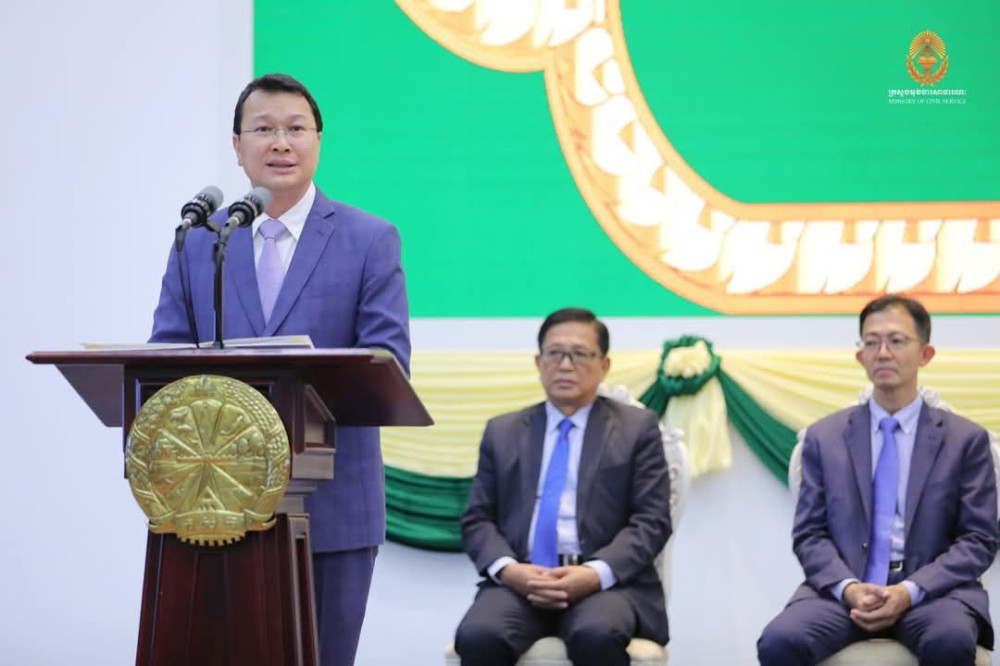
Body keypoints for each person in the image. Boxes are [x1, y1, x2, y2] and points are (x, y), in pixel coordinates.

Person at [149, 73, 410, 666]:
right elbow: (164, 356)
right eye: (263, 129)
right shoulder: (201, 242)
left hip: (331, 505)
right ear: (237, 146)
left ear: (318, 141)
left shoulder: (369, 238)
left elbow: (388, 364)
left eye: (296, 129)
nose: (281, 143)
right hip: (214, 505)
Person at [757, 295, 997, 665]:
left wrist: (911, 590)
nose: (883, 352)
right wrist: (849, 588)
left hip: (934, 594)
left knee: (950, 640)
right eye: (872, 342)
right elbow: (810, 535)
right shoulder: (825, 437)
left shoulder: (964, 440)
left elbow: (978, 539)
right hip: (845, 595)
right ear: (860, 356)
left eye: (896, 341)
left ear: (925, 354)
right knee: (779, 641)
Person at [455, 307, 671, 666]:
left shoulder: (637, 429)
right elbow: (477, 519)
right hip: (522, 580)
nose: (565, 365)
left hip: (605, 584)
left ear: (604, 365)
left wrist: (593, 573)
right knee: (479, 635)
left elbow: (652, 521)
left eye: (580, 354)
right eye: (555, 353)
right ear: (538, 362)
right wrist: (510, 570)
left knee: (596, 634)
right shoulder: (503, 431)